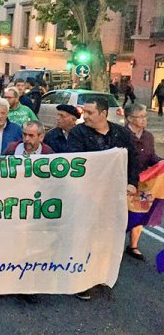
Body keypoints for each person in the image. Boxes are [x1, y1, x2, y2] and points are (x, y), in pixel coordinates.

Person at [67, 96, 139, 300]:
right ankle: (81, 280)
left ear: (103, 114)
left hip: (112, 199)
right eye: (84, 112)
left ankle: (100, 275)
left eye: (90, 113)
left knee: (106, 239)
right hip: (87, 197)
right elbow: (76, 162)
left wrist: (132, 182)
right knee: (84, 238)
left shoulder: (122, 134)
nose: (85, 116)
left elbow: (132, 160)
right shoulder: (78, 133)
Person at [124, 103, 162, 261]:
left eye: (145, 116)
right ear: (129, 118)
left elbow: (152, 156)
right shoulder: (122, 135)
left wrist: (161, 163)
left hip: (145, 182)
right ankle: (115, 245)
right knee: (124, 215)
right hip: (125, 182)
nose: (144, 120)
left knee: (140, 213)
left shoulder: (148, 136)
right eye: (140, 117)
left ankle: (133, 245)